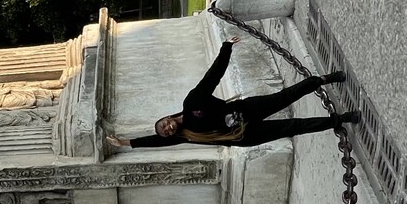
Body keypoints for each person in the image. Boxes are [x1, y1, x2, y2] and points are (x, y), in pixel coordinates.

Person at [105, 37, 358, 149]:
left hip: (245, 109)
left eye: (165, 124)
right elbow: (154, 142)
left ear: (166, 117)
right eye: (166, 131)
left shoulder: (191, 102)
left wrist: (226, 49)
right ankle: (340, 120)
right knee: (292, 127)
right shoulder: (187, 136)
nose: (168, 129)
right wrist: (127, 143)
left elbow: (211, 78)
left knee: (286, 96)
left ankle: (325, 79)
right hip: (243, 135)